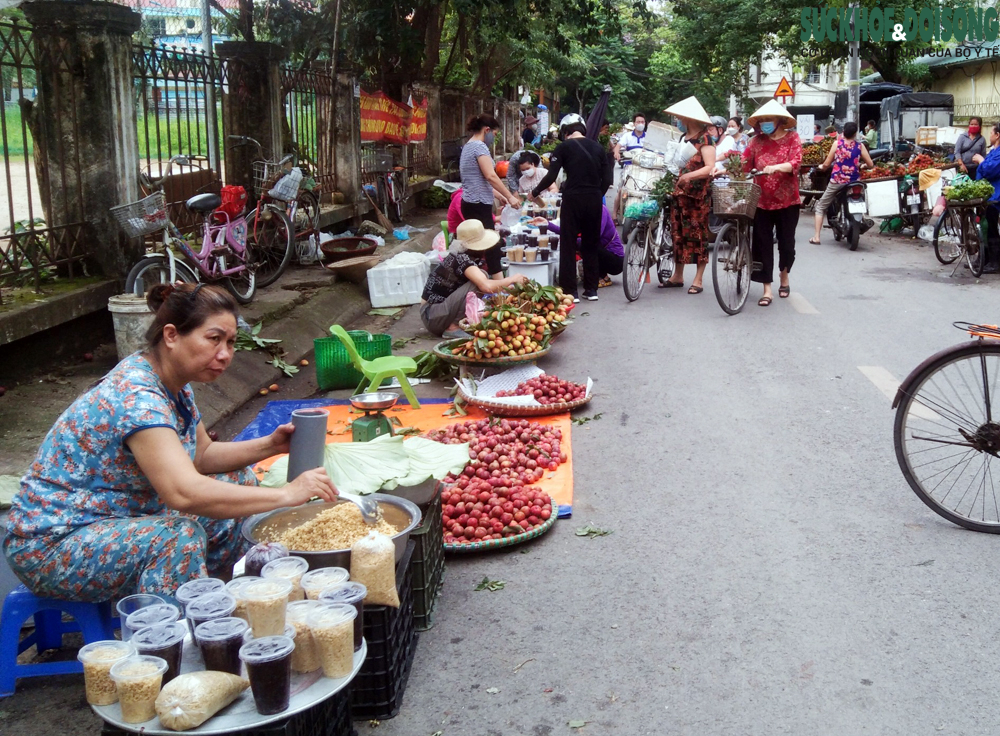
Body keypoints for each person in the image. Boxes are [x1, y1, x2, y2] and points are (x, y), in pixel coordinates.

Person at [2, 284, 339, 601]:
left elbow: (202, 455)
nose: (225, 354)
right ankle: (179, 642)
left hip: (116, 518)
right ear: (172, 335)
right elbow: (182, 492)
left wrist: (271, 444)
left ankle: (229, 595)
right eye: (214, 339)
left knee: (238, 480)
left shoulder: (174, 384)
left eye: (232, 343)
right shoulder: (137, 395)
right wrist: (284, 494)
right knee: (176, 538)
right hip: (53, 543)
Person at [531, 113, 613, 301]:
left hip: (573, 199)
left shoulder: (563, 147)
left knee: (568, 244)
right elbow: (607, 179)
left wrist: (535, 192)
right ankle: (592, 289)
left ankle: (570, 291)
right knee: (590, 244)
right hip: (594, 199)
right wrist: (595, 194)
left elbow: (551, 176)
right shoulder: (598, 148)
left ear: (566, 131)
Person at [420, 219, 528, 337]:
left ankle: (459, 321)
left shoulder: (464, 257)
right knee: (479, 282)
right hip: (432, 315)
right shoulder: (461, 259)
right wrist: (512, 279)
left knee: (482, 277)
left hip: (436, 313)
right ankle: (452, 327)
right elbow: (486, 286)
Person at [742, 99, 802, 307]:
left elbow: (796, 162)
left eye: (769, 119)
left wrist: (777, 167)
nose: (765, 123)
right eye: (762, 120)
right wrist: (724, 167)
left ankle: (784, 276)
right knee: (762, 245)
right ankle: (767, 288)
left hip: (788, 201)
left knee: (787, 245)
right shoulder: (755, 142)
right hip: (761, 201)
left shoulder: (792, 138)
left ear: (779, 121)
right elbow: (743, 163)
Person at [660, 96, 717, 295]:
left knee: (698, 236)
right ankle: (678, 275)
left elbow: (710, 167)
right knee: (678, 235)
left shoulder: (706, 140)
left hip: (697, 197)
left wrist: (690, 176)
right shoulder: (683, 138)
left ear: (688, 118)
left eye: (680, 117)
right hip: (680, 195)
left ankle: (698, 279)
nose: (678, 119)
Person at [460, 113, 520, 277]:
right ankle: (498, 285)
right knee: (492, 243)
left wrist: (496, 193)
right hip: (478, 203)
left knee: (476, 244)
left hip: (471, 202)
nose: (494, 138)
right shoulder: (479, 147)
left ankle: (475, 279)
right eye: (494, 134)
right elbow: (490, 176)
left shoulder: (468, 146)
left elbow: (476, 179)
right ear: (486, 130)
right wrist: (510, 196)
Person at [809, 121, 874, 244]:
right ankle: (862, 218)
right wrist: (863, 165)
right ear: (855, 134)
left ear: (843, 132)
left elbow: (827, 164)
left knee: (821, 207)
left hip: (837, 181)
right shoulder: (860, 146)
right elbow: (870, 164)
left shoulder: (837, 144)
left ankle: (816, 237)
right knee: (861, 197)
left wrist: (821, 166)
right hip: (854, 181)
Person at [534, 205, 623, 287]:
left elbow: (593, 238)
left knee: (581, 244)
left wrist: (571, 240)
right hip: (600, 252)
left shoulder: (601, 210)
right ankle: (598, 274)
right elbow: (570, 232)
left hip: (615, 261)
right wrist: (548, 224)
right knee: (577, 243)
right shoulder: (585, 210)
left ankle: (603, 276)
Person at [972, 121, 1000, 273]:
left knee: (991, 228)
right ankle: (985, 259)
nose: (989, 135)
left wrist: (981, 161)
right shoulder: (994, 150)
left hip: (995, 196)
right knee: (984, 227)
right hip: (986, 195)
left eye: (991, 133)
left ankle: (995, 263)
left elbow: (991, 170)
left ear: (997, 135)